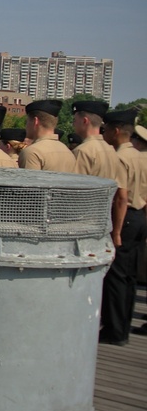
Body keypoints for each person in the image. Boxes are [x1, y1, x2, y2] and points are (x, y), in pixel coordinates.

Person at [70, 101, 129, 345]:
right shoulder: (112, 153)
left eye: (75, 119)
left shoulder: (84, 152)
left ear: (84, 121)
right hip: (102, 225)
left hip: (82, 224)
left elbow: (73, 193)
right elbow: (122, 196)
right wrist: (116, 231)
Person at [102, 109, 145, 346]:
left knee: (116, 276)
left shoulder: (120, 158)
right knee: (130, 277)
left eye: (107, 128)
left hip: (124, 217)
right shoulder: (141, 156)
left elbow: (120, 197)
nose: (104, 133)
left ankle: (114, 330)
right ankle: (124, 326)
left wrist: (116, 231)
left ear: (116, 131)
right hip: (139, 218)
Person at [18, 100, 76, 172]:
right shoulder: (68, 152)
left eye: (27, 121)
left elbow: (29, 182)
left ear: (35, 121)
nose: (26, 126)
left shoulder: (32, 152)